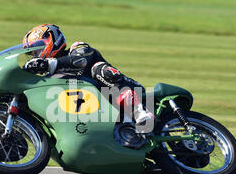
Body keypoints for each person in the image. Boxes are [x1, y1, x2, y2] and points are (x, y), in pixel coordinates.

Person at [21, 24, 154, 133]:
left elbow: (81, 60)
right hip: (97, 112)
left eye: (37, 50)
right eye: (32, 53)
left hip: (126, 91)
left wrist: (48, 64)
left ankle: (141, 113)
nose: (36, 56)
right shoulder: (51, 77)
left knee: (100, 69)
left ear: (52, 41)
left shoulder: (78, 47)